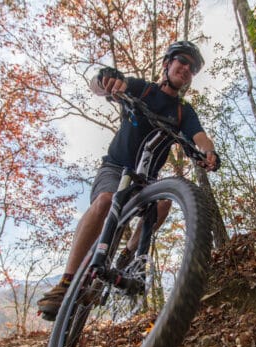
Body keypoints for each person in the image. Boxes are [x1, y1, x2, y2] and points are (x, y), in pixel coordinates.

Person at [37, 41, 220, 321]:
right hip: (115, 168)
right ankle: (66, 282)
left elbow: (199, 136)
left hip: (145, 179)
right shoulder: (143, 89)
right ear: (166, 64)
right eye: (182, 61)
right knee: (106, 201)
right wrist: (105, 80)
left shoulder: (184, 111)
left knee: (162, 205)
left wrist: (208, 152)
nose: (186, 69)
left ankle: (126, 257)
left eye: (192, 68)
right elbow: (101, 86)